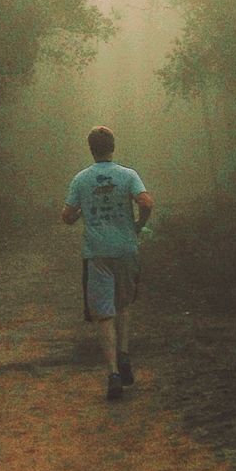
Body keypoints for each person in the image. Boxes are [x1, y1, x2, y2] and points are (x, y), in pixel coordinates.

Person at [61, 126, 153, 401]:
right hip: (126, 250)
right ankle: (124, 355)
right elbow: (146, 201)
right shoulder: (128, 175)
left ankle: (113, 372)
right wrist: (139, 224)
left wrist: (79, 213)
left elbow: (66, 216)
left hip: (97, 253)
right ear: (113, 146)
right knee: (124, 305)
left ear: (91, 149)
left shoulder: (81, 179)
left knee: (104, 313)